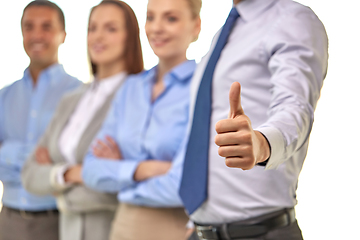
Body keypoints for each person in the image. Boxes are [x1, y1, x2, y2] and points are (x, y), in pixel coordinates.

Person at [178, 0, 329, 239]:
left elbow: (295, 107)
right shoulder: (223, 33)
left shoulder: (292, 19)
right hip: (202, 230)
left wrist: (263, 144)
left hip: (258, 232)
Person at [21, 1, 143, 240]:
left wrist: (58, 191)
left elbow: (128, 184)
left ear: (130, 36)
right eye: (92, 28)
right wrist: (68, 174)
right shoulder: (71, 99)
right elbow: (29, 173)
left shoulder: (137, 97)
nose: (98, 36)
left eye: (110, 28)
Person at [82, 0, 201, 239]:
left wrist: (121, 175)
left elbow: (188, 185)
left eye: (171, 19)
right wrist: (144, 169)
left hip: (176, 228)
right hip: (124, 225)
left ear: (196, 27)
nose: (156, 28)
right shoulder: (130, 88)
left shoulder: (201, 87)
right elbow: (91, 169)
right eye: (150, 17)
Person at [0, 1, 81, 240]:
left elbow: (75, 163)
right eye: (29, 26)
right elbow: (55, 164)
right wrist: (39, 162)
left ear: (63, 35)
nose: (36, 35)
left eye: (46, 26)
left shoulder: (79, 94)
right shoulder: (4, 96)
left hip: (58, 222)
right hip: (8, 221)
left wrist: (8, 153)